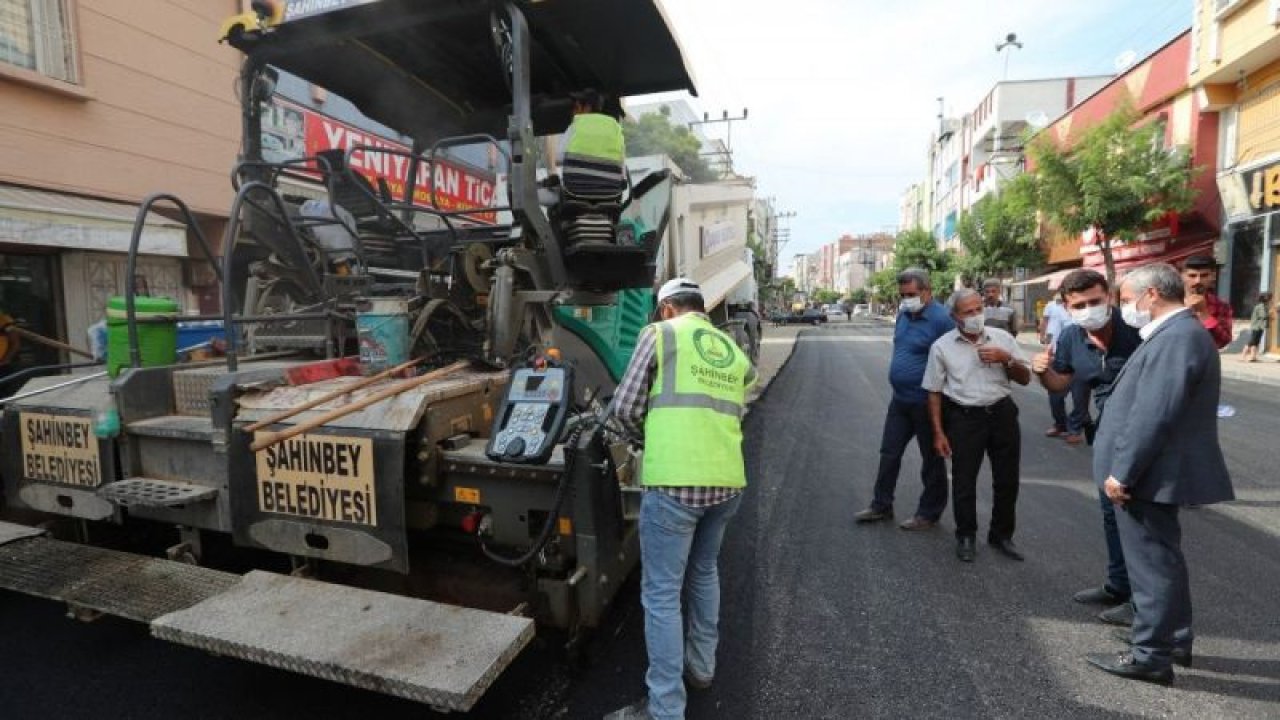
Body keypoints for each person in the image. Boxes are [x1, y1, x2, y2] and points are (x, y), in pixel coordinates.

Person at [605, 277, 756, 720]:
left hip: (675, 484)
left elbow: (624, 409)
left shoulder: (660, 334)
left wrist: (648, 439)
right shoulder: (730, 347)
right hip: (727, 482)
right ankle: (702, 668)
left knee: (661, 595)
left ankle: (665, 708)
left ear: (667, 307)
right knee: (704, 572)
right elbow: (739, 395)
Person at [1085, 263, 1234, 685]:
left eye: (1126, 299)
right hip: (1154, 471)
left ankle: (1150, 654)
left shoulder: (1177, 336)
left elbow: (1154, 413)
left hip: (1148, 474)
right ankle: (1174, 640)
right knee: (1162, 560)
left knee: (1152, 566)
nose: (1124, 309)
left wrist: (1123, 473)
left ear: (1151, 294)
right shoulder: (1176, 333)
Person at [1030, 269, 1143, 618]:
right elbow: (1059, 384)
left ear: (1109, 296)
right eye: (1079, 305)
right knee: (1111, 513)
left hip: (1145, 431)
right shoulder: (1070, 337)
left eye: (1095, 301)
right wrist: (1041, 371)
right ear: (1067, 307)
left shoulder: (1136, 328)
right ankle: (1118, 586)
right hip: (1109, 431)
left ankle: (1143, 603)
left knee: (1141, 518)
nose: (1088, 310)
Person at [924, 288, 1031, 562]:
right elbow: (934, 391)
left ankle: (1002, 535)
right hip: (964, 418)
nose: (975, 316)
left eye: (978, 309)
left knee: (1007, 479)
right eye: (968, 312)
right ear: (954, 317)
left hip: (1002, 413)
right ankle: (966, 535)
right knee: (964, 480)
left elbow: (1025, 378)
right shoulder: (942, 347)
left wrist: (1006, 359)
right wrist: (938, 433)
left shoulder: (1003, 338)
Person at [854, 269, 953, 530]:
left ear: (927, 291)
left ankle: (929, 513)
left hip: (927, 403)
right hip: (900, 401)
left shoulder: (942, 320)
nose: (907, 300)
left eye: (911, 294)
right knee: (889, 453)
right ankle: (881, 505)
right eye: (903, 295)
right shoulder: (903, 315)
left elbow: (953, 361)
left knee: (931, 460)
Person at [557, 90, 626, 199]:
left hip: (574, 191)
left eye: (576, 107)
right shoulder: (615, 126)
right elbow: (621, 163)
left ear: (587, 107)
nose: (573, 112)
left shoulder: (576, 124)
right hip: (610, 193)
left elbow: (558, 159)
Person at [1038, 294, 1078, 440]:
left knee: (1079, 395)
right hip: (1057, 355)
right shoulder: (1052, 306)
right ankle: (1060, 424)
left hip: (1078, 355)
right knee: (1055, 395)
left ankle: (1075, 429)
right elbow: (1048, 326)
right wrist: (1045, 342)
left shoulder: (1080, 308)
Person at [1180, 255, 1233, 350]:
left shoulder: (1221, 306)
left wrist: (1204, 314)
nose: (1198, 281)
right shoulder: (1170, 301)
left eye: (1204, 275)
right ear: (1183, 276)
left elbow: (1223, 341)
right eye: (1192, 276)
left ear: (1213, 276)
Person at [1243, 292, 1272, 362]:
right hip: (1257, 326)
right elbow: (1263, 316)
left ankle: (1253, 357)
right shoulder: (1261, 306)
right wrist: (1270, 312)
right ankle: (1244, 355)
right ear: (1266, 299)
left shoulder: (1263, 305)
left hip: (1259, 326)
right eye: (1270, 298)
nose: (1271, 300)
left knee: (1256, 342)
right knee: (1252, 341)